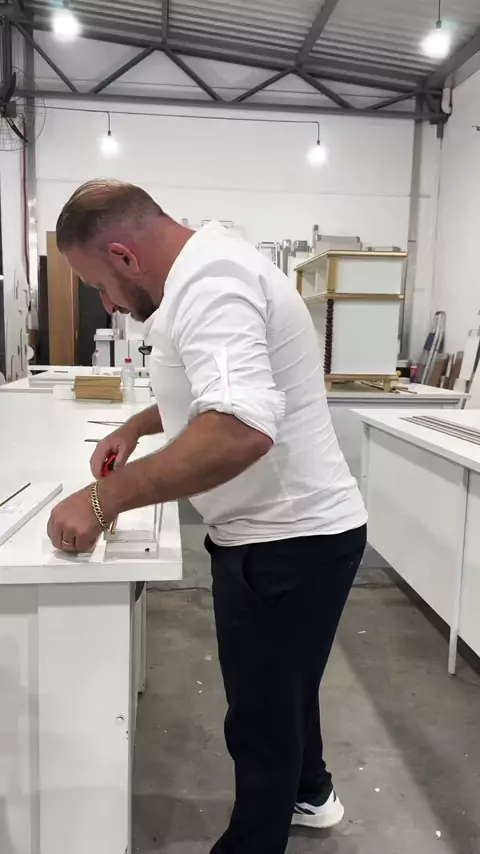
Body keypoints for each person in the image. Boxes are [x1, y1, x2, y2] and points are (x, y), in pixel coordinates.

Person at [47, 179, 367, 854]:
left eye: (100, 285)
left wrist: (103, 501)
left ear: (125, 255)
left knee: (260, 719)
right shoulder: (209, 266)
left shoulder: (212, 286)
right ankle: (311, 792)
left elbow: (237, 429)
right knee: (287, 687)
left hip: (285, 541)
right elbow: (209, 389)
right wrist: (137, 424)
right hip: (301, 534)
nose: (108, 304)